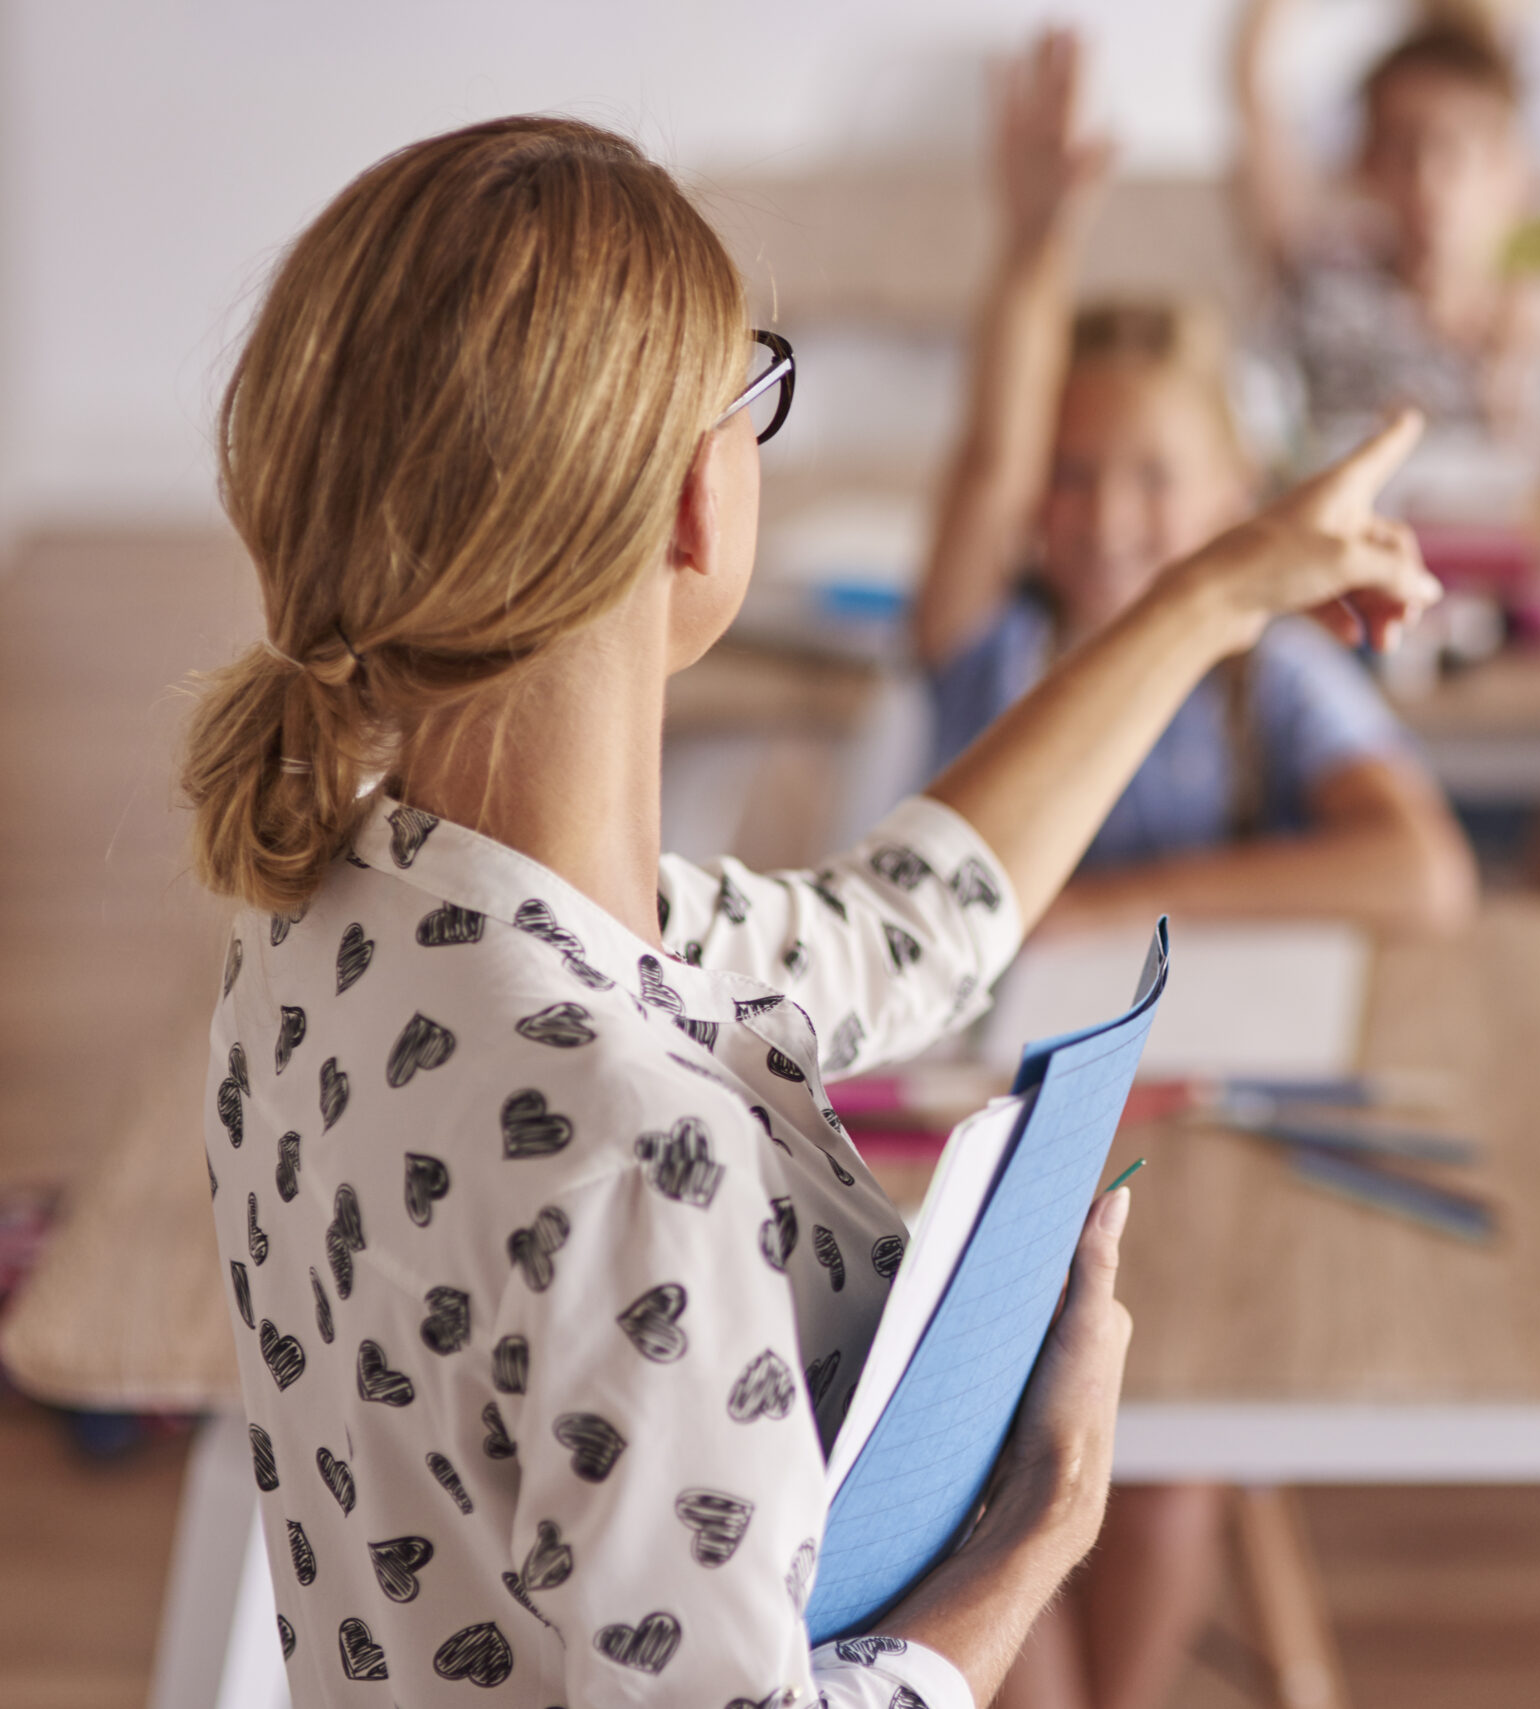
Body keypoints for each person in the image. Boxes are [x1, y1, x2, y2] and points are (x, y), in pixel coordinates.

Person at [181, 114, 1438, 1709]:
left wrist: (1215, 592)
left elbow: (900, 925)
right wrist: (1038, 1529)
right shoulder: (644, 1147)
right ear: (698, 507)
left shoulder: (342, 907)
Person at [919, 27, 1478, 940]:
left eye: (1154, 478)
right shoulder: (990, 648)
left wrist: (1102, 914)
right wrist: (1034, 246)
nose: (1105, 517)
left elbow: (1427, 874)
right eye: (1067, 473)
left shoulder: (1276, 675)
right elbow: (990, 459)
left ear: (1236, 493)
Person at [1232, 0, 1540, 459]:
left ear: (1514, 171)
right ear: (1366, 165)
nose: (1428, 183)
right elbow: (1253, 453)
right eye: (1402, 150)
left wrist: (1512, 388)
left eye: (1456, 151)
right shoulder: (1317, 305)